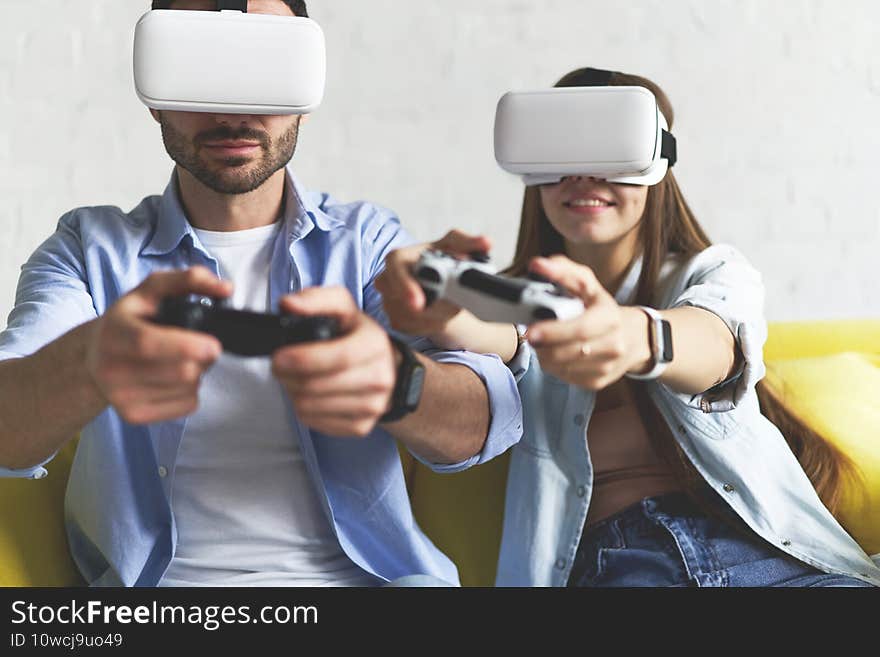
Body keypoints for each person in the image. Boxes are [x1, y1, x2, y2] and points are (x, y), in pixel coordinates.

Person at [0, 0, 522, 587]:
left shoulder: (367, 245)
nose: (236, 109)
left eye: (266, 68)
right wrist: (92, 360)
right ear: (153, 91)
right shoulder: (89, 251)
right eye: (200, 68)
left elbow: (479, 426)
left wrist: (398, 382)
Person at [376, 67, 880, 587]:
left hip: (768, 560)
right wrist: (441, 307)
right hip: (626, 565)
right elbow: (504, 336)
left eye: (610, 150)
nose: (583, 176)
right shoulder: (518, 300)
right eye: (561, 151)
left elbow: (715, 343)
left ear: (659, 159)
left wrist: (632, 336)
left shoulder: (711, 274)